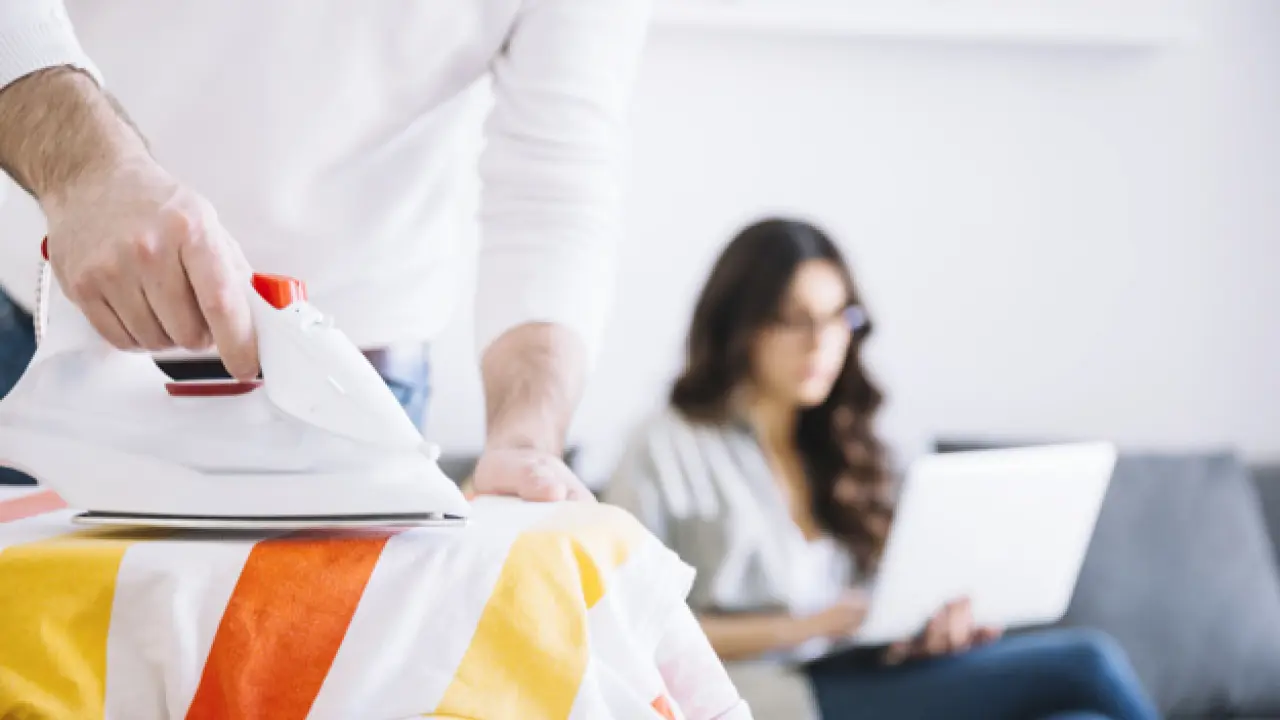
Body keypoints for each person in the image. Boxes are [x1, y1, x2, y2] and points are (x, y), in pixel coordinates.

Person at [0, 0, 652, 498]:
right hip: (48, 318)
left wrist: (528, 438)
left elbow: (556, 180)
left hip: (357, 362)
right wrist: (86, 168)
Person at [604, 218, 1160, 720]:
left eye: (838, 318)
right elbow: (626, 626)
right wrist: (809, 626)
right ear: (740, 325)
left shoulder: (848, 445)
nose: (821, 343)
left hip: (861, 676)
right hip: (766, 694)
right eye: (793, 319)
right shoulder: (665, 445)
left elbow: (872, 616)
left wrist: (914, 637)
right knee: (1087, 662)